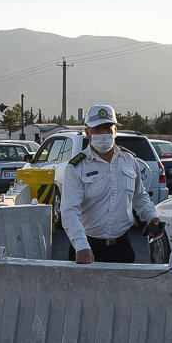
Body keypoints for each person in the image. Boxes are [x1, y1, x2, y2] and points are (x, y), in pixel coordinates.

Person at [61, 104, 161, 264]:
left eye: (108, 128)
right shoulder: (76, 167)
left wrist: (152, 217)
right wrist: (81, 246)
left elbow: (139, 197)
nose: (103, 133)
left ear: (115, 131)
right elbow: (69, 211)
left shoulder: (129, 161)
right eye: (98, 129)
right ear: (87, 132)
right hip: (87, 248)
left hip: (122, 247)